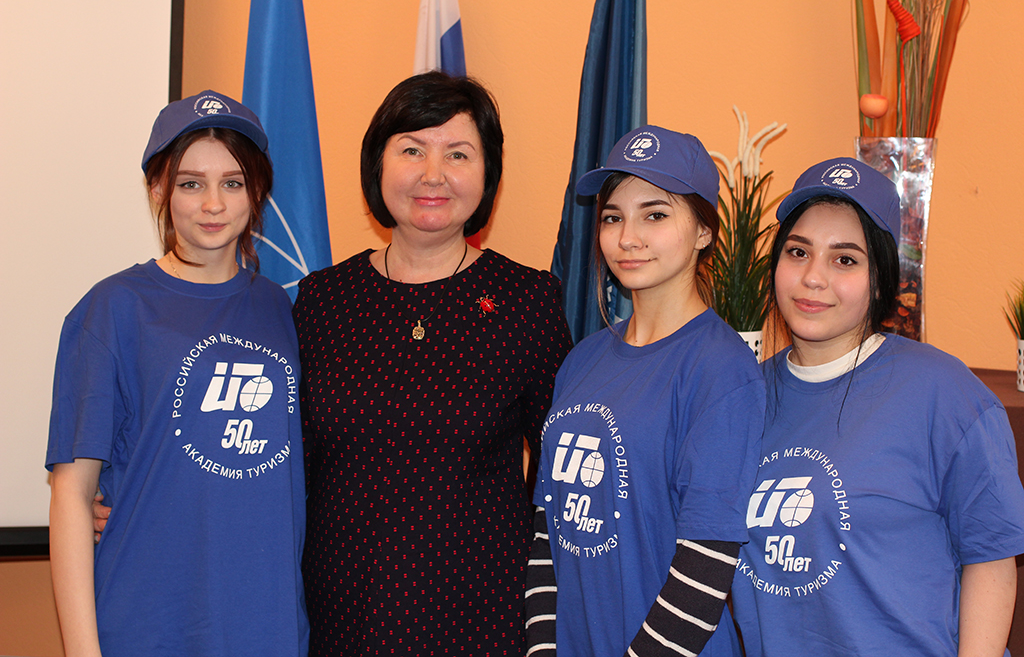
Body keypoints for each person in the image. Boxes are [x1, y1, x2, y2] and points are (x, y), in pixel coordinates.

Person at [292, 71, 573, 656]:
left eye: (458, 154)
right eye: (413, 149)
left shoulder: (528, 302)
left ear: (488, 173)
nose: (433, 174)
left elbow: (563, 473)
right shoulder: (322, 300)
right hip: (342, 619)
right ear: (378, 163)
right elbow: (280, 462)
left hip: (482, 621)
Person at [47, 91, 308, 657]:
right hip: (146, 627)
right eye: (191, 183)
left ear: (257, 191)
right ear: (158, 190)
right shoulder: (111, 309)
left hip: (269, 628)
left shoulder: (282, 309)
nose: (213, 203)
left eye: (233, 182)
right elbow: (71, 495)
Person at [729, 157, 1024, 656]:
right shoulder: (742, 399)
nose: (813, 277)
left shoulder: (944, 392)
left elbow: (991, 558)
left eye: (845, 260)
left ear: (882, 279)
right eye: (798, 252)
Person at [525, 126, 765, 657]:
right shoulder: (581, 361)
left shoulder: (722, 369)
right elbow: (547, 531)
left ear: (703, 231)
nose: (627, 237)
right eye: (613, 217)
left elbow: (707, 563)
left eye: (654, 215)